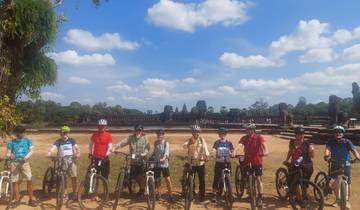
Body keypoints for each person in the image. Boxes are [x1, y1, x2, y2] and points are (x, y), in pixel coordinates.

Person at [324, 125, 360, 209]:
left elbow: (354, 151)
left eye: (340, 132)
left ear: (343, 134)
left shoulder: (347, 142)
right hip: (334, 163)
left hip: (346, 163)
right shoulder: (331, 142)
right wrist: (326, 155)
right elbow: (327, 150)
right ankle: (337, 199)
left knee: (348, 182)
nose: (338, 133)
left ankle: (346, 201)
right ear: (334, 133)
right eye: (336, 132)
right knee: (335, 182)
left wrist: (358, 157)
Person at [112, 124, 150, 199]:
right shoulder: (130, 138)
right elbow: (122, 142)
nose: (138, 131)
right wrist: (115, 147)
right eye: (136, 130)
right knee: (133, 176)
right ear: (134, 130)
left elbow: (147, 148)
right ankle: (123, 188)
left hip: (142, 161)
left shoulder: (145, 138)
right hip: (133, 161)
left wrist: (144, 153)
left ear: (142, 131)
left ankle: (142, 191)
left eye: (139, 130)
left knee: (142, 177)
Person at [6, 125, 38, 208]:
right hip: (14, 163)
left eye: (24, 132)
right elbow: (9, 152)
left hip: (25, 163)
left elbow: (32, 150)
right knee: (15, 181)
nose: (24, 133)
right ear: (17, 133)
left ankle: (31, 199)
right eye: (22, 132)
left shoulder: (28, 140)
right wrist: (10, 155)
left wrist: (26, 157)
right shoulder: (11, 142)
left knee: (29, 179)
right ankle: (17, 199)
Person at [238, 123, 268, 207]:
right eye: (246, 129)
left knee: (258, 179)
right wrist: (235, 151)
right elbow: (240, 145)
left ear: (253, 130)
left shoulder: (259, 137)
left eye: (249, 129)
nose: (247, 131)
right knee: (246, 176)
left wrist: (266, 151)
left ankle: (260, 197)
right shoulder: (244, 138)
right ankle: (249, 189)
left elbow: (264, 145)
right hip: (247, 160)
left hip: (257, 160)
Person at [283, 126, 314, 208]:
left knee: (304, 183)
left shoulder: (307, 143)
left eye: (301, 134)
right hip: (295, 164)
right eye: (298, 134)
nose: (300, 136)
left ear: (304, 135)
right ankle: (298, 198)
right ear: (295, 135)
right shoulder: (292, 142)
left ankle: (302, 195)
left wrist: (311, 151)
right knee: (294, 181)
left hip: (306, 165)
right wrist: (287, 160)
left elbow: (312, 156)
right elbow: (290, 151)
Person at [47, 126, 80, 200]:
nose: (64, 134)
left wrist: (78, 153)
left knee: (73, 177)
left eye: (66, 133)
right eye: (63, 133)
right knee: (63, 177)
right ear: (60, 134)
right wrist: (49, 152)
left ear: (68, 133)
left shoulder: (72, 140)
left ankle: (74, 192)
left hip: (71, 160)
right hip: (61, 160)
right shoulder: (58, 141)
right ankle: (65, 192)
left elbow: (76, 148)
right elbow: (53, 147)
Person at [182, 125, 210, 201]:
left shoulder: (202, 140)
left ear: (199, 132)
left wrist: (207, 156)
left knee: (202, 180)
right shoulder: (189, 140)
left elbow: (205, 148)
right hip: (192, 163)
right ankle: (192, 193)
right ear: (192, 133)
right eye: (194, 132)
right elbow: (184, 146)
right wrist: (188, 144)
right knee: (192, 179)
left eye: (197, 132)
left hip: (200, 163)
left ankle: (202, 195)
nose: (195, 133)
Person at [211, 127, 234, 202]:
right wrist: (213, 154)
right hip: (219, 163)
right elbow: (214, 150)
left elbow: (232, 150)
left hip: (227, 163)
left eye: (223, 133)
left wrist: (232, 154)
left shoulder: (229, 143)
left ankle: (229, 192)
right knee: (216, 178)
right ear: (219, 135)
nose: (222, 135)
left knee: (228, 178)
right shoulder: (217, 143)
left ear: (225, 134)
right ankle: (214, 194)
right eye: (221, 133)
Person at [152, 128, 174, 202]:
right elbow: (154, 152)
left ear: (163, 135)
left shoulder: (166, 143)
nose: (159, 135)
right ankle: (158, 193)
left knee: (167, 179)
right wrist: (152, 157)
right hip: (157, 164)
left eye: (161, 134)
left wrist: (164, 158)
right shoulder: (155, 143)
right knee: (157, 180)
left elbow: (167, 153)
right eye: (158, 134)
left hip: (164, 164)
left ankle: (171, 195)